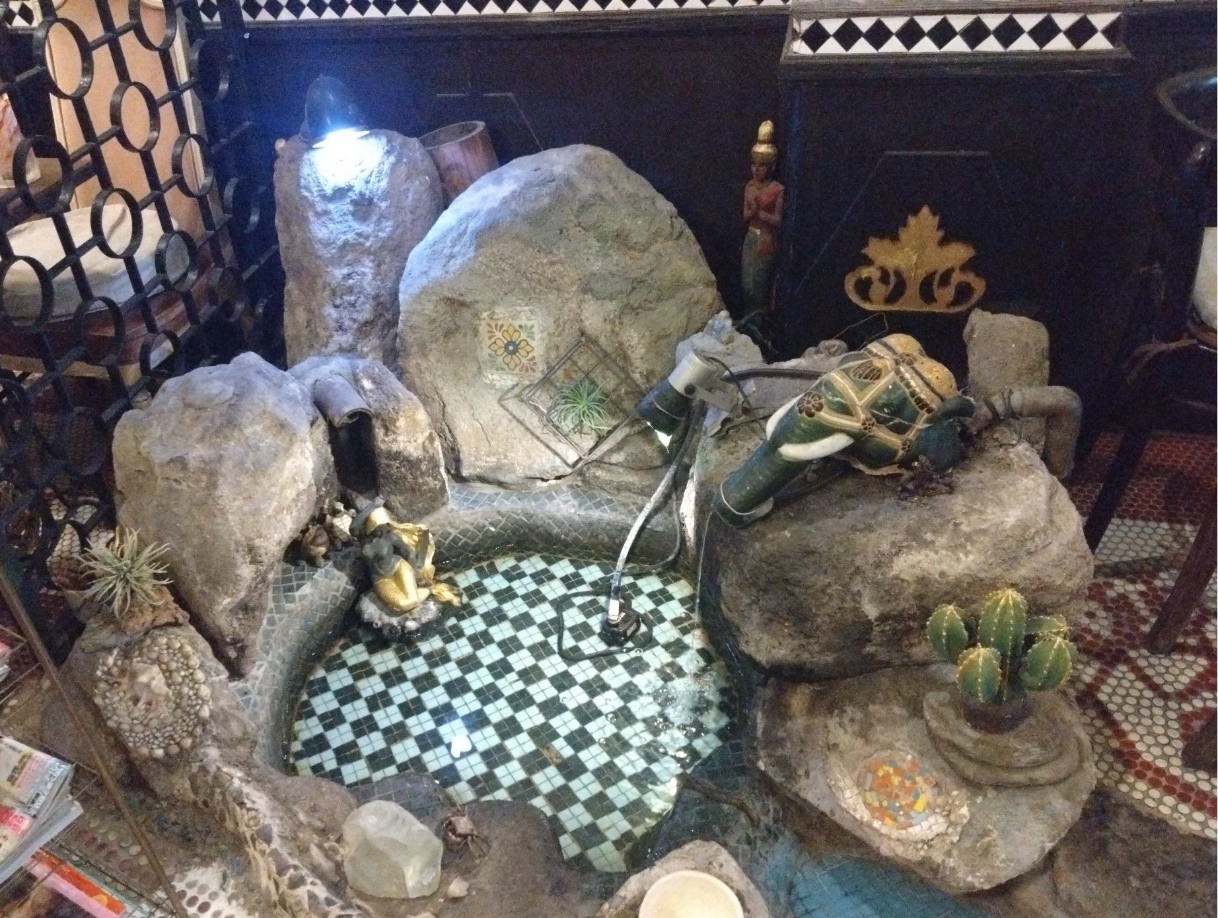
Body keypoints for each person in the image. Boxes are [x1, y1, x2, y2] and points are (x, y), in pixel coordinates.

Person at [741, 120, 784, 314]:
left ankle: (759, 323)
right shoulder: (750, 187)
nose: (757, 170)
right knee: (747, 285)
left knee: (760, 287)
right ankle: (749, 322)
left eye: (762, 165)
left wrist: (759, 213)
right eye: (754, 164)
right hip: (751, 238)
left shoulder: (777, 189)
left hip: (766, 241)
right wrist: (753, 212)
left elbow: (778, 221)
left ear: (772, 166)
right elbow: (745, 216)